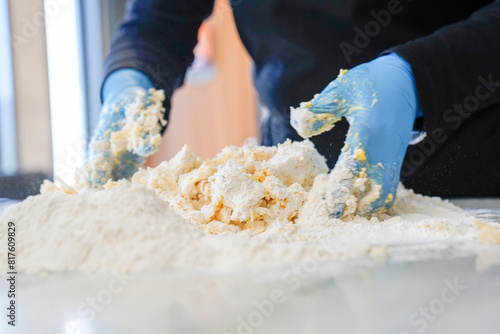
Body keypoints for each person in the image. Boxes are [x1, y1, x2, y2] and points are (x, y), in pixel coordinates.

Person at [87, 0, 500, 217]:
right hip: (296, 189)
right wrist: (131, 77)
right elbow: (158, 23)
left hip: (474, 177)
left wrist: (421, 74)